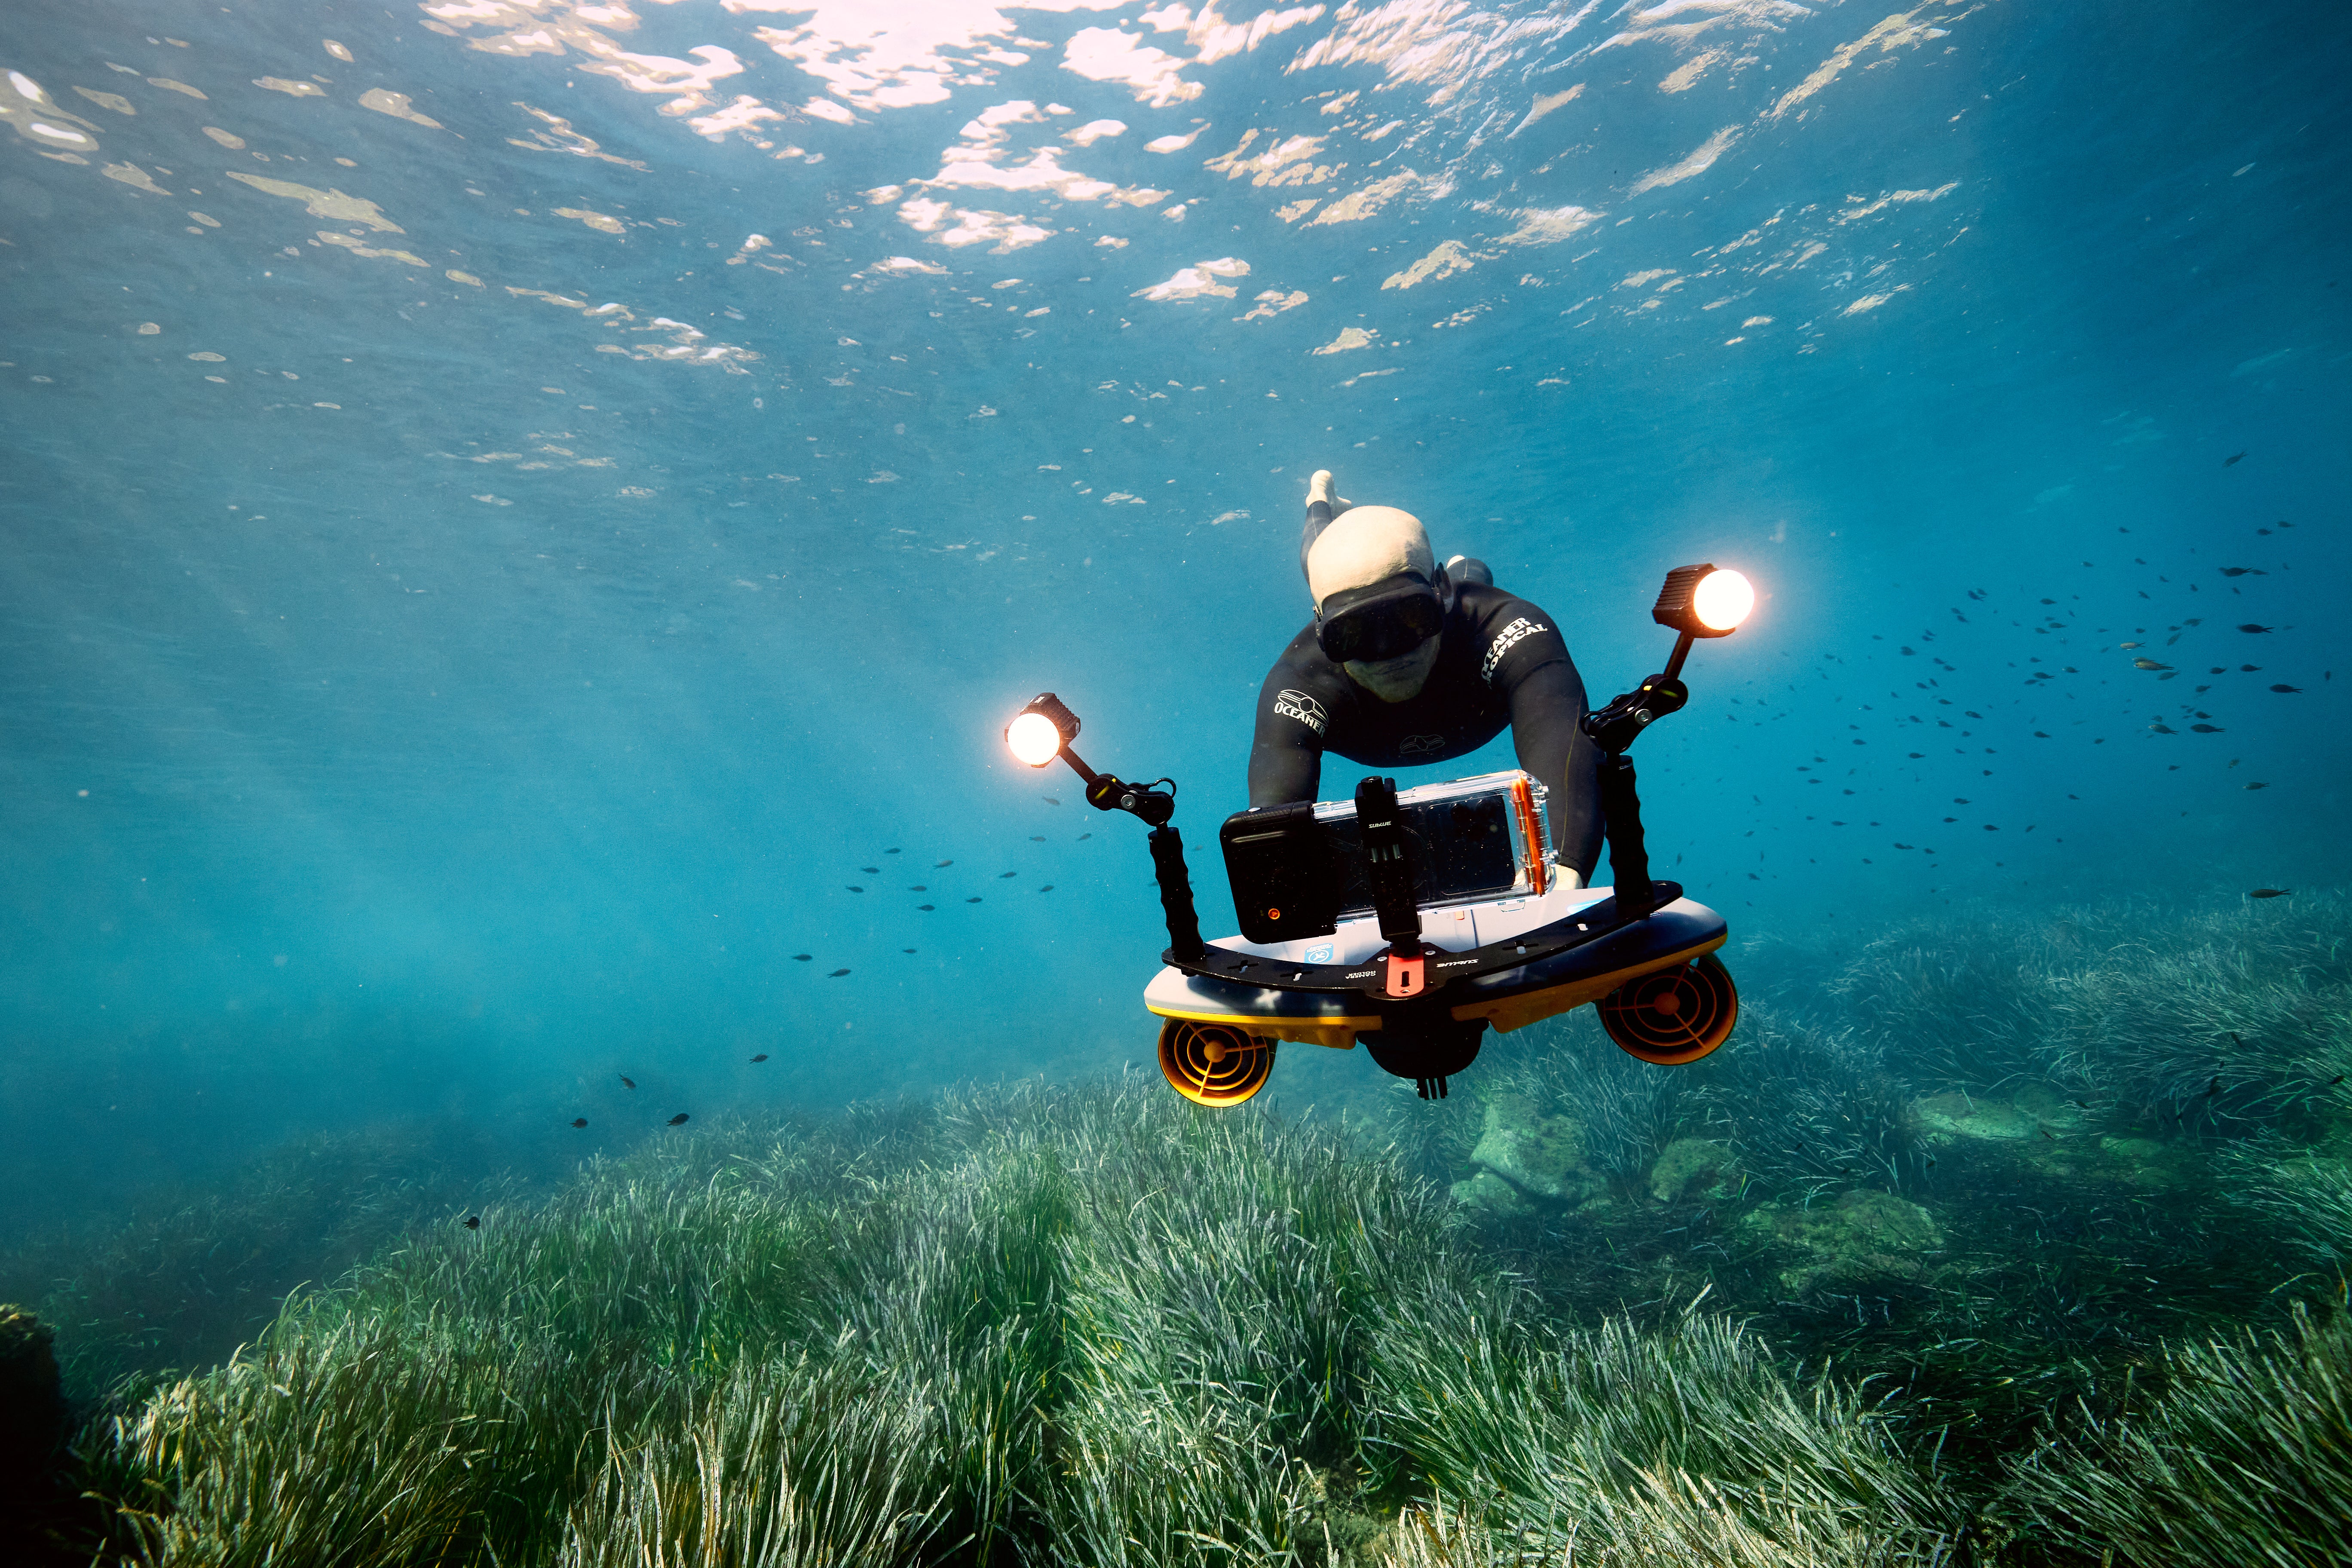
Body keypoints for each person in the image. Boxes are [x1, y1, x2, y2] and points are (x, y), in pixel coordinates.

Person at [1247, 469, 1603, 886]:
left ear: (1440, 594)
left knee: (1469, 582)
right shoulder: (1301, 680)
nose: (1388, 654)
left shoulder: (1504, 627)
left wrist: (1561, 873)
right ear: (1324, 630)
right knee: (1319, 554)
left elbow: (1565, 749)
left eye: (1409, 617)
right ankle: (1318, 506)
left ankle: (1463, 573)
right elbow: (1270, 834)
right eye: (1353, 634)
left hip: (1459, 605)